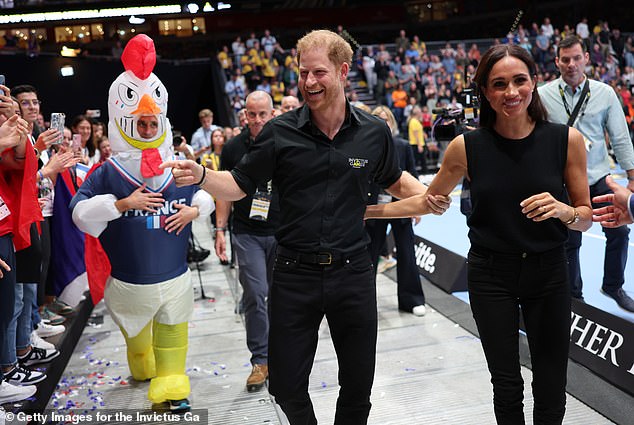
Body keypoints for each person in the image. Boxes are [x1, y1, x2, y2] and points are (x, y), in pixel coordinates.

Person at [162, 29, 448, 425]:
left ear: (344, 71)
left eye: (318, 73)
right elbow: (239, 185)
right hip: (295, 275)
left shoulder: (372, 132)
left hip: (353, 273)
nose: (309, 82)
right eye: (303, 73)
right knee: (285, 386)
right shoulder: (280, 133)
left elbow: (395, 179)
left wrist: (428, 196)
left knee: (358, 387)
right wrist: (200, 175)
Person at [366, 44, 592, 424]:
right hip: (491, 275)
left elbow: (585, 217)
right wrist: (363, 212)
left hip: (550, 272)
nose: (511, 92)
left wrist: (566, 210)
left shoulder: (565, 140)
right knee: (505, 385)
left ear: (534, 82)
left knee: (552, 385)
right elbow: (426, 201)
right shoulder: (465, 147)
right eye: (499, 84)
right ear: (486, 92)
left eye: (520, 80)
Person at [70, 34, 213, 412]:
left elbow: (207, 195)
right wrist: (121, 204)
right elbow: (79, 213)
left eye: (153, 123)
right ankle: (140, 358)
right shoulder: (107, 172)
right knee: (138, 342)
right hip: (128, 284)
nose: (147, 129)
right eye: (141, 123)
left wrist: (194, 212)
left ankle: (172, 383)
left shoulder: (176, 167)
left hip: (176, 279)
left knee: (171, 331)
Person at [538, 35, 634, 312]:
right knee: (570, 240)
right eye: (565, 59)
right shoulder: (543, 96)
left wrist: (631, 176)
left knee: (619, 231)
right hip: (563, 180)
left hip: (600, 178)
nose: (571, 64)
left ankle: (613, 285)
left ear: (586, 59)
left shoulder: (605, 93)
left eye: (576, 58)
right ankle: (574, 298)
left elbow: (620, 136)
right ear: (557, 62)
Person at [215, 91, 279, 392]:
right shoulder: (232, 148)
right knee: (255, 293)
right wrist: (219, 230)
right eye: (251, 114)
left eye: (262, 114)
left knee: (282, 297)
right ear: (244, 115)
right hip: (246, 232)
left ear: (272, 113)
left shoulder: (286, 141)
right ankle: (261, 359)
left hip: (283, 232)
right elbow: (224, 191)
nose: (256, 120)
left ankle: (283, 357)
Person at [366, 105, 426, 316]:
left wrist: (418, 207)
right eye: (378, 120)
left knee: (407, 253)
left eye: (386, 120)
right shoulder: (364, 148)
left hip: (402, 208)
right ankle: (363, 302)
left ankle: (412, 300)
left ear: (392, 123)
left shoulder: (402, 146)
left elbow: (414, 176)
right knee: (369, 256)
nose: (383, 124)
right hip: (375, 209)